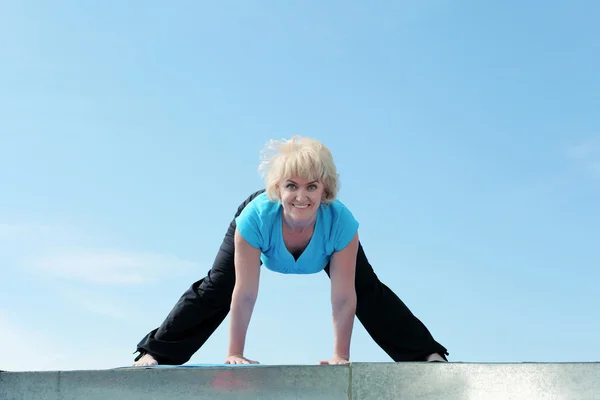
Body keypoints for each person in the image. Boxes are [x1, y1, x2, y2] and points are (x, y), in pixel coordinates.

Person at [133, 136, 448, 366]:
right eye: (291, 186)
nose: (301, 196)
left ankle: (426, 355)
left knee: (366, 290)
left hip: (331, 240)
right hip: (259, 230)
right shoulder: (255, 219)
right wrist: (234, 354)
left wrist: (341, 357)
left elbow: (343, 297)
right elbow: (243, 294)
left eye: (312, 186)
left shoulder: (340, 223)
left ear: (325, 190)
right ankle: (155, 353)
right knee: (219, 285)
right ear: (277, 188)